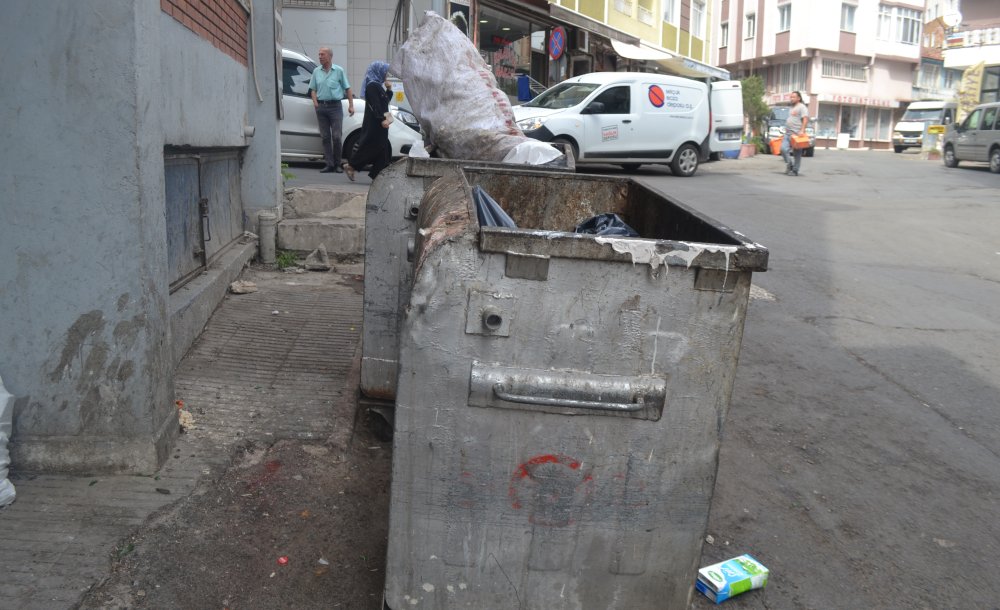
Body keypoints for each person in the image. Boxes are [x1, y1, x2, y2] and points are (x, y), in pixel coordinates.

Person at [343, 61, 394, 182]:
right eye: (385, 72)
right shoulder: (371, 86)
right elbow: (375, 106)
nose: (386, 74)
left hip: (380, 124)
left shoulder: (377, 85)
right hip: (375, 124)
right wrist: (382, 120)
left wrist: (389, 90)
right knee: (372, 148)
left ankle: (375, 175)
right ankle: (353, 166)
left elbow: (384, 102)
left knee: (382, 150)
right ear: (378, 71)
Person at [309, 47, 354, 173]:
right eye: (319, 54)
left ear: (329, 56)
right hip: (321, 107)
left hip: (335, 107)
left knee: (336, 136)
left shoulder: (339, 71)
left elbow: (348, 88)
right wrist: (315, 103)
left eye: (322, 54)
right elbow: (313, 89)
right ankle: (329, 164)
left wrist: (351, 105)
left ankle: (338, 164)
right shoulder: (316, 71)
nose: (320, 56)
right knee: (325, 137)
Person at [780, 91, 809, 176]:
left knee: (797, 154)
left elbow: (805, 118)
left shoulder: (802, 107)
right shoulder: (791, 107)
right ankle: (790, 164)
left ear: (798, 98)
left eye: (793, 97)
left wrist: (802, 130)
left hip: (797, 134)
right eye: (791, 97)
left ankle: (795, 170)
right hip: (788, 133)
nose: (791, 99)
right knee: (783, 149)